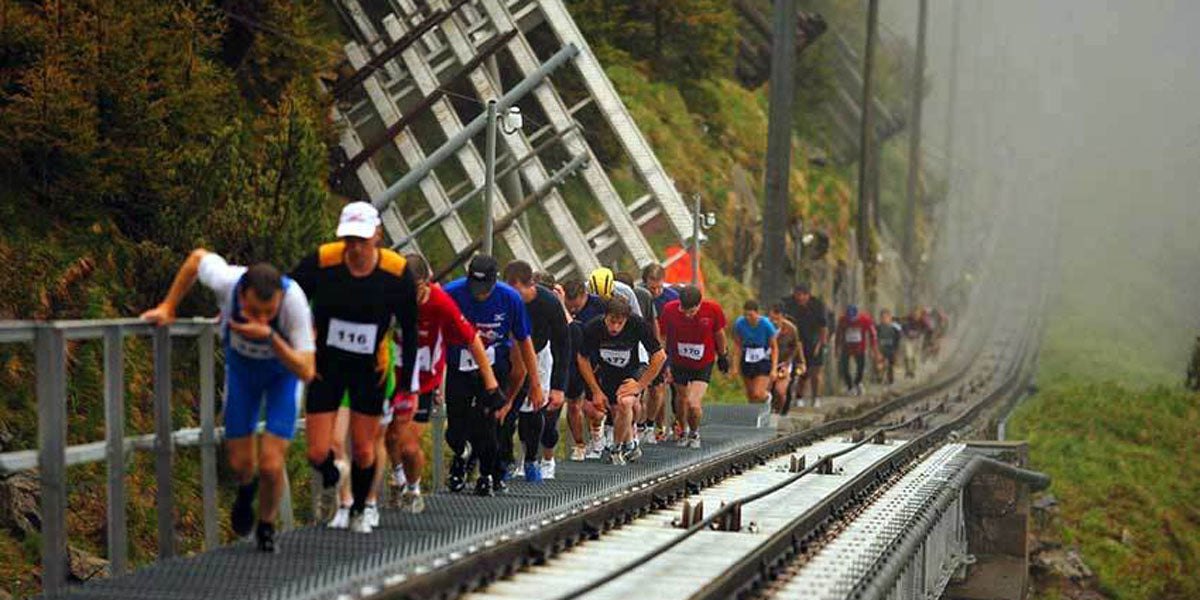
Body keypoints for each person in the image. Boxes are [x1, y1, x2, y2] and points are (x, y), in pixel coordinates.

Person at [142, 250, 315, 552]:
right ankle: (246, 489)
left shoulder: (293, 301)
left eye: (269, 313)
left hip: (282, 379)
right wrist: (169, 306)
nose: (262, 319)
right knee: (239, 462)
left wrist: (271, 338)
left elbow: (306, 369)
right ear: (242, 293)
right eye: (254, 311)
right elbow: (196, 258)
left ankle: (266, 525)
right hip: (242, 374)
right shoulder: (226, 280)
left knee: (272, 464)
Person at [289, 202, 419, 535]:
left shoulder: (396, 271)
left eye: (362, 239)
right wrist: (304, 340)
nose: (356, 247)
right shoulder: (323, 260)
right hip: (326, 364)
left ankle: (361, 507)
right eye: (349, 239)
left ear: (377, 236)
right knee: (318, 450)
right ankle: (340, 489)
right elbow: (289, 297)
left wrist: (407, 385)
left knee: (363, 448)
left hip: (369, 367)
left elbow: (409, 326)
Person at [381, 254, 500, 512]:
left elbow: (472, 339)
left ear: (427, 282)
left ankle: (413, 488)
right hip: (393, 375)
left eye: (415, 290)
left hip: (423, 380)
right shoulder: (391, 298)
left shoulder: (440, 301)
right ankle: (399, 477)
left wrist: (490, 383)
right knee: (390, 438)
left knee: (410, 445)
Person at [444, 254, 543, 496]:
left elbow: (524, 342)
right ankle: (462, 453)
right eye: (475, 289)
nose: (480, 294)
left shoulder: (509, 299)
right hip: (460, 366)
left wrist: (535, 383)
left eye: (485, 289)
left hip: (494, 367)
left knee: (487, 423)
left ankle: (488, 475)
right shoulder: (452, 293)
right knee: (456, 425)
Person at [502, 260, 570, 481]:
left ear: (529, 284)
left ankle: (532, 459)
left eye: (517, 290)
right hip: (511, 354)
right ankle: (504, 461)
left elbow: (563, 343)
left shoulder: (548, 302)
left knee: (533, 411)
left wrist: (559, 386)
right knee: (506, 411)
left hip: (539, 355)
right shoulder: (505, 299)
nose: (513, 296)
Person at [576, 296, 666, 464]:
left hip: (634, 369)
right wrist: (595, 390)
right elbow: (582, 359)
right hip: (609, 372)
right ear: (605, 316)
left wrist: (640, 385)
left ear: (626, 320)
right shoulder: (593, 327)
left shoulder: (637, 324)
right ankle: (630, 443)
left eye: (620, 323)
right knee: (618, 411)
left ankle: (616, 449)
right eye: (611, 322)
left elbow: (660, 356)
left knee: (625, 402)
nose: (615, 328)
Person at [658, 285, 729, 448]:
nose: (688, 315)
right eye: (684, 310)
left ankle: (694, 432)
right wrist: (663, 360)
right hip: (679, 361)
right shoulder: (669, 310)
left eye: (692, 311)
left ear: (699, 304)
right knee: (681, 399)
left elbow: (719, 333)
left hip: (703, 362)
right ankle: (682, 430)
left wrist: (723, 355)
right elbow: (663, 335)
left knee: (693, 403)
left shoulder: (712, 310)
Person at [562, 279, 608, 460]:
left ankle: (597, 433)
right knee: (573, 404)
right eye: (569, 306)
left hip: (593, 363)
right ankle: (579, 444)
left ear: (584, 296)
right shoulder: (560, 307)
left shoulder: (599, 306)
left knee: (595, 409)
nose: (573, 310)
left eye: (576, 306)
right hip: (571, 361)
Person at [618, 270, 660, 444]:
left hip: (638, 357)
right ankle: (622, 438)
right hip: (616, 357)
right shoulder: (608, 310)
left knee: (633, 401)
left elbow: (652, 324)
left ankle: (635, 429)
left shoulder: (641, 306)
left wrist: (655, 351)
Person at [642, 264, 679, 441]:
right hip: (643, 345)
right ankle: (649, 425)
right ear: (645, 282)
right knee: (647, 388)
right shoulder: (640, 295)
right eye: (652, 287)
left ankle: (660, 426)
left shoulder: (672, 298)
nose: (655, 291)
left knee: (660, 387)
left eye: (659, 287)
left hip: (667, 345)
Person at [780, 284, 828, 407]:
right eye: (797, 295)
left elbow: (823, 327)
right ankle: (797, 396)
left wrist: (821, 345)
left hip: (814, 340)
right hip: (795, 340)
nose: (800, 298)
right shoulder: (788, 304)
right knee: (798, 371)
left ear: (808, 295)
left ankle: (816, 397)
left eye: (803, 295)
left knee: (815, 371)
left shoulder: (817, 305)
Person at [731, 300, 778, 405]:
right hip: (747, 357)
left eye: (751, 315)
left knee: (758, 393)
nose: (748, 318)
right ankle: (755, 418)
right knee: (751, 395)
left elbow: (774, 348)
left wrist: (774, 369)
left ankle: (767, 397)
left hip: (763, 359)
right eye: (745, 315)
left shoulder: (766, 325)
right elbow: (737, 346)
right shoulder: (740, 324)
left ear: (757, 313)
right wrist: (734, 366)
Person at [769, 304, 805, 415]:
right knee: (767, 390)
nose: (774, 322)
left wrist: (798, 362)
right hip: (768, 363)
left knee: (781, 391)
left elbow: (796, 346)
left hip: (784, 363)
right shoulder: (765, 327)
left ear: (783, 317)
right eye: (772, 318)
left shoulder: (791, 329)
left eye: (777, 318)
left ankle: (779, 412)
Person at [836, 304, 879, 396]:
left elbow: (873, 334)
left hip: (860, 347)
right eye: (850, 319)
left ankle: (857, 383)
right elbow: (838, 334)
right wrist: (837, 348)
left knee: (860, 367)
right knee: (845, 368)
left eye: (854, 319)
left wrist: (873, 348)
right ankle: (849, 386)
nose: (852, 321)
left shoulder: (865, 320)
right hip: (846, 347)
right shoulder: (842, 320)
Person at [876, 309, 903, 385]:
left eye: (886, 317)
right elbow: (875, 338)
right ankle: (879, 376)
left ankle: (890, 378)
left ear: (890, 318)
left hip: (891, 348)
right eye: (883, 318)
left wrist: (897, 350)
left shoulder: (895, 327)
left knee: (891, 364)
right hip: (881, 348)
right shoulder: (878, 327)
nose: (884, 319)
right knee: (880, 364)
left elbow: (899, 338)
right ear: (880, 318)